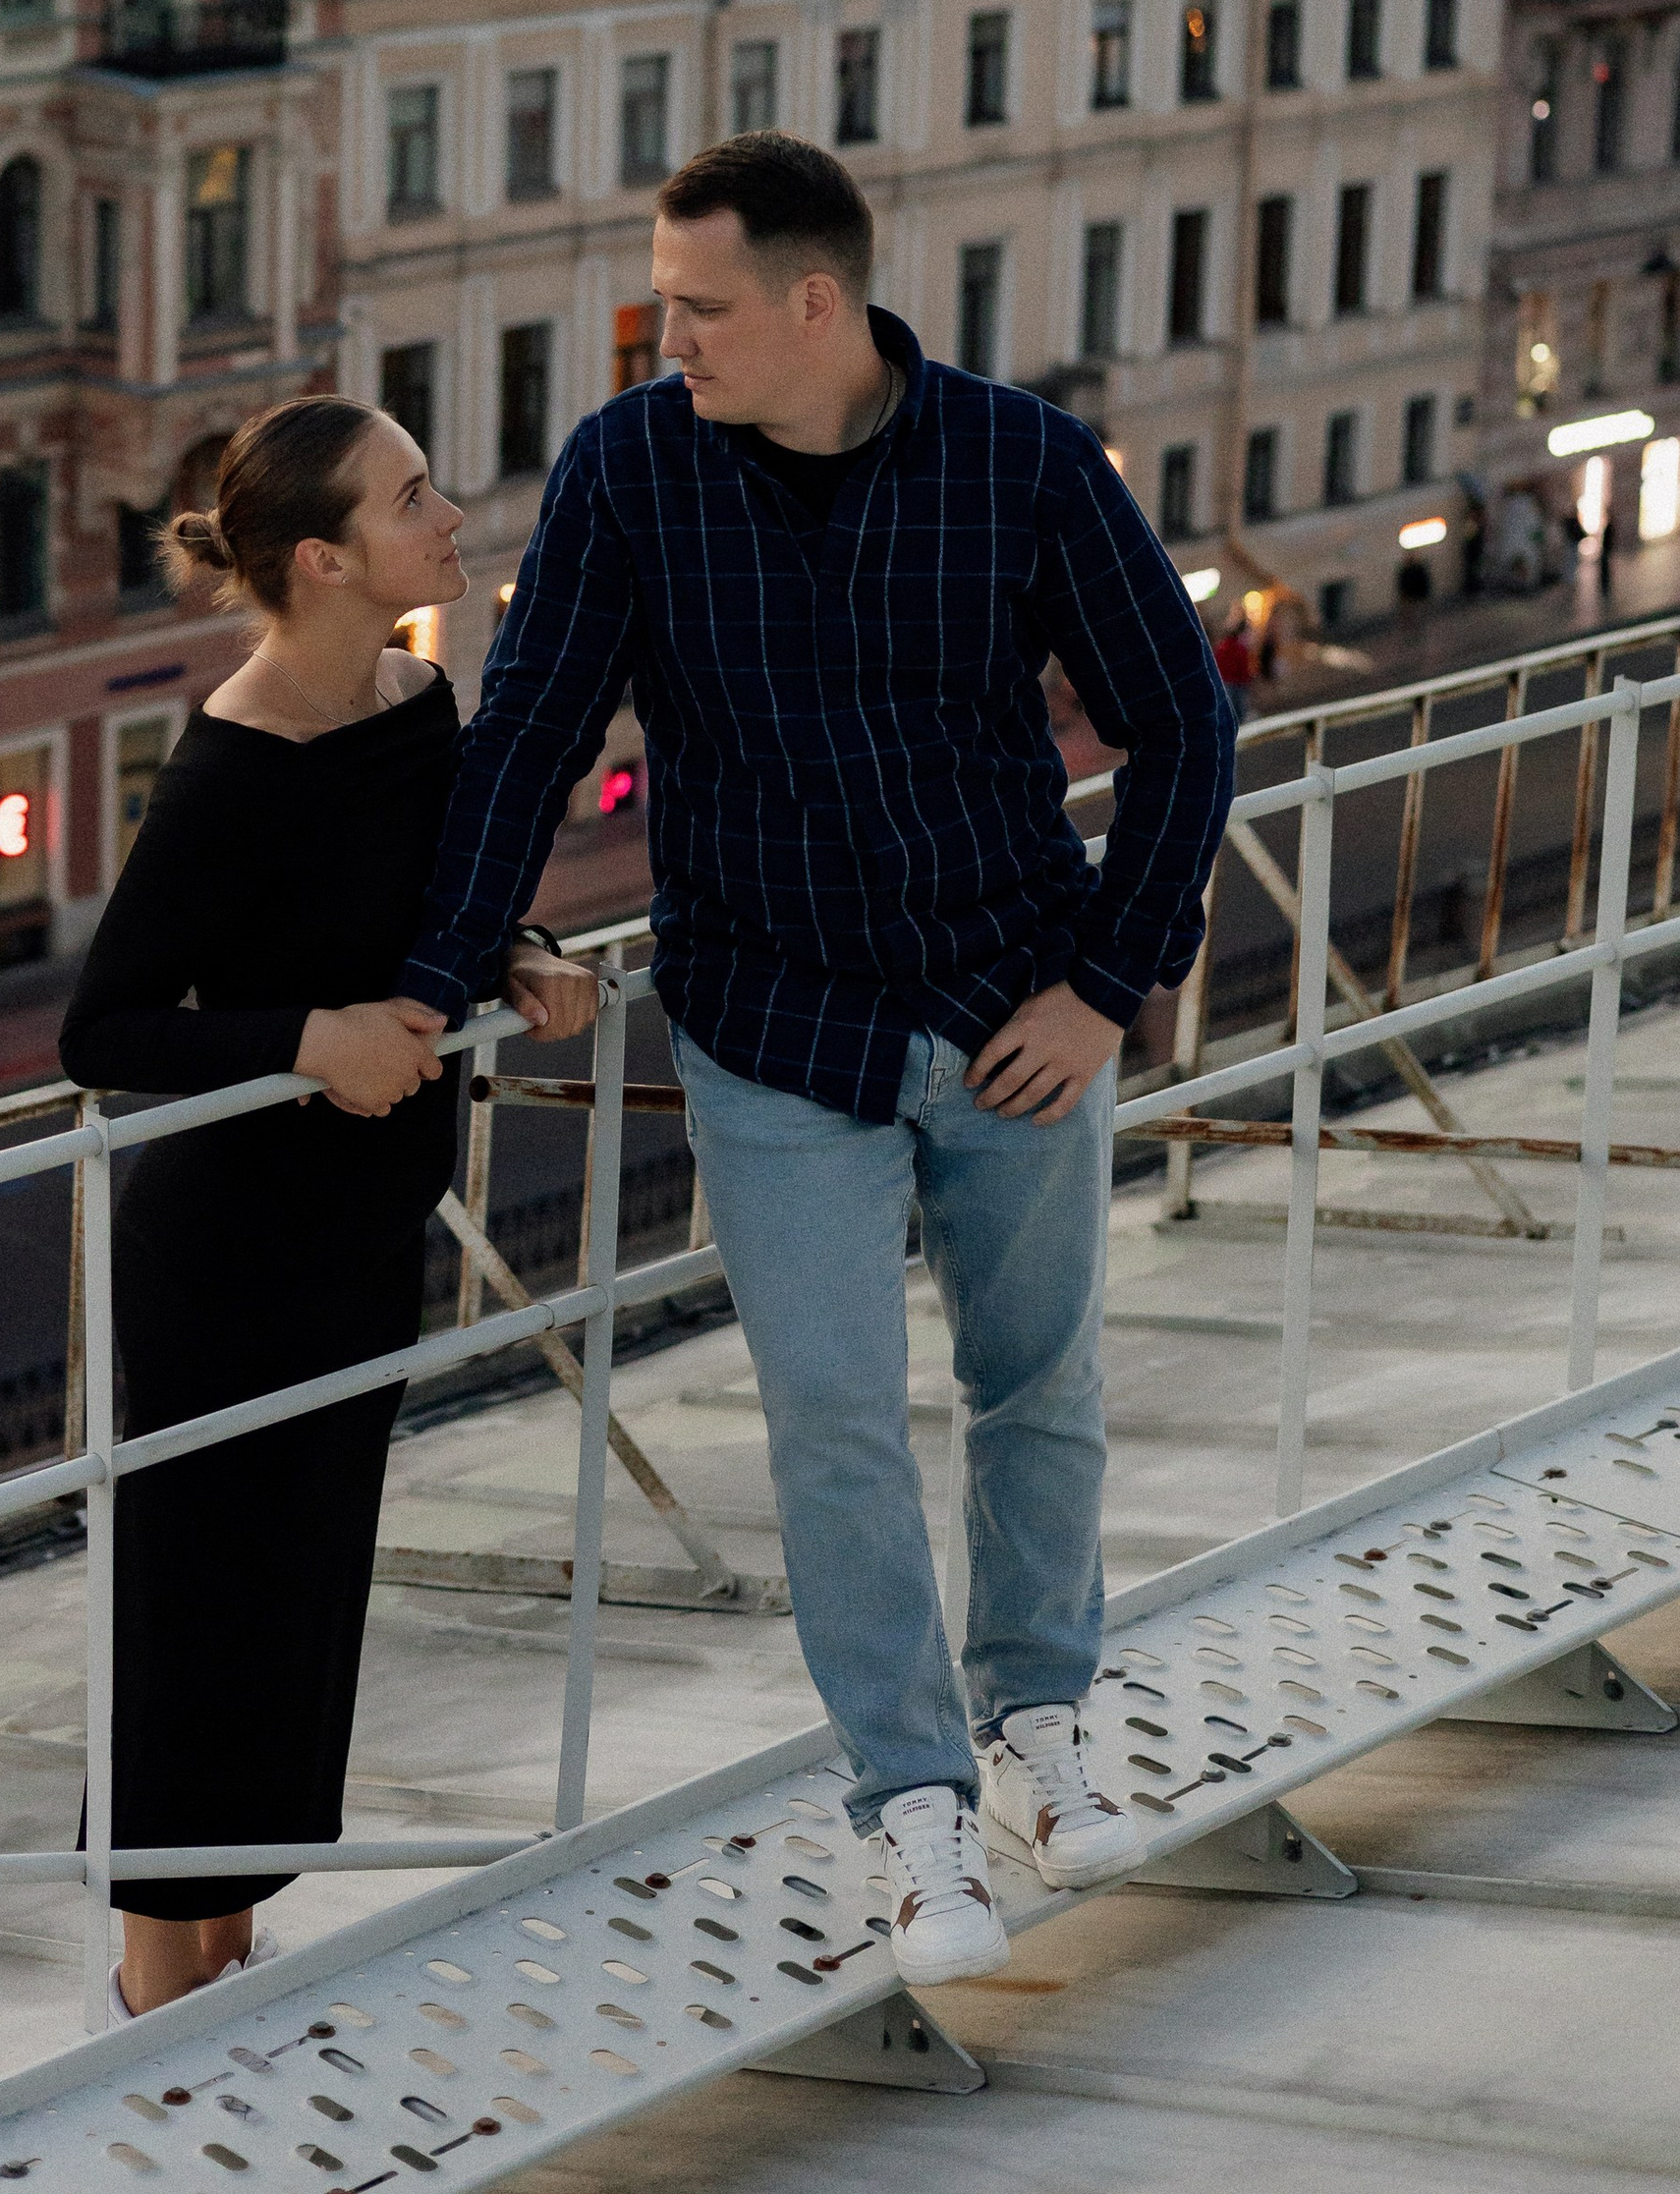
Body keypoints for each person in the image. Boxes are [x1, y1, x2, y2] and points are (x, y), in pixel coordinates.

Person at [398, 135, 1236, 1991]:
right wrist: (436, 971)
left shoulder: (1018, 459)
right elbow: (531, 732)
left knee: (1040, 1386)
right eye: (657, 302)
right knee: (837, 1421)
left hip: (1020, 1004)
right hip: (776, 1024)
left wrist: (1110, 982)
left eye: (695, 306)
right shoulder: (629, 469)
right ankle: (915, 1802)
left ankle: (1042, 1724)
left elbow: (1186, 723)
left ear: (814, 303)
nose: (664, 334)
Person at [58, 397, 587, 2021]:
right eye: (412, 496)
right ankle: (160, 1982)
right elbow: (107, 1029)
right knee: (201, 1606)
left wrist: (511, 954)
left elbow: (429, 897)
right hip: (228, 1258)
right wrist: (308, 1042)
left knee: (303, 1595)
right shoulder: (231, 764)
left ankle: (228, 1944)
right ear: (324, 558)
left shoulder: (415, 694)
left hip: (360, 1230)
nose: (448, 515)